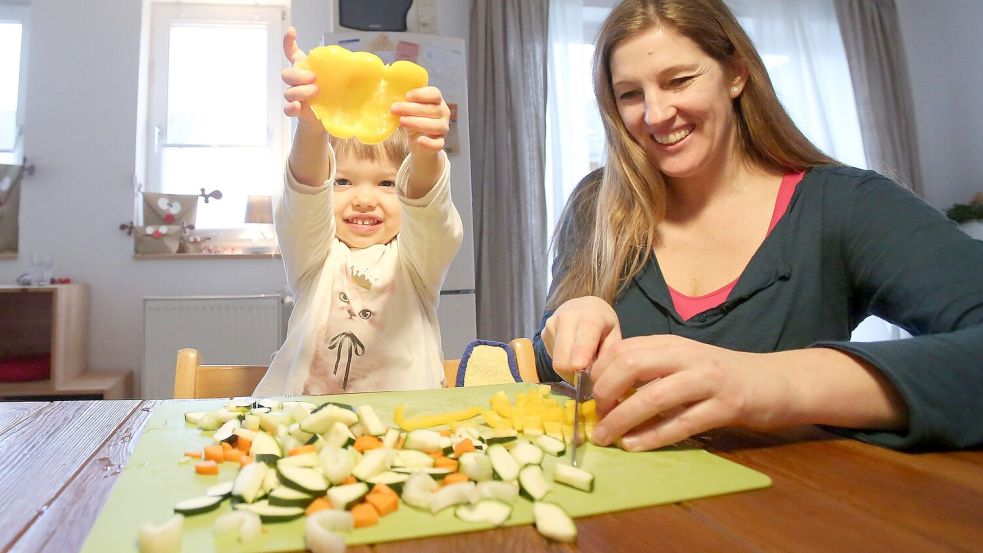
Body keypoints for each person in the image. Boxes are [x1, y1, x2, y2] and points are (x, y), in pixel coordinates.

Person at [534, 0, 983, 451]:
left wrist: (769, 382)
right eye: (630, 94)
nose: (654, 114)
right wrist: (568, 327)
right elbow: (555, 371)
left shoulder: (846, 203)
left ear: (736, 74)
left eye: (679, 80)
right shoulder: (598, 205)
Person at [254, 27, 462, 395]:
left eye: (386, 184)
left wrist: (425, 155)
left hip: (403, 428)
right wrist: (313, 129)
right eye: (344, 182)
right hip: (303, 431)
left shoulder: (415, 264)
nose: (364, 199)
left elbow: (433, 219)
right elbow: (303, 198)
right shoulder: (316, 258)